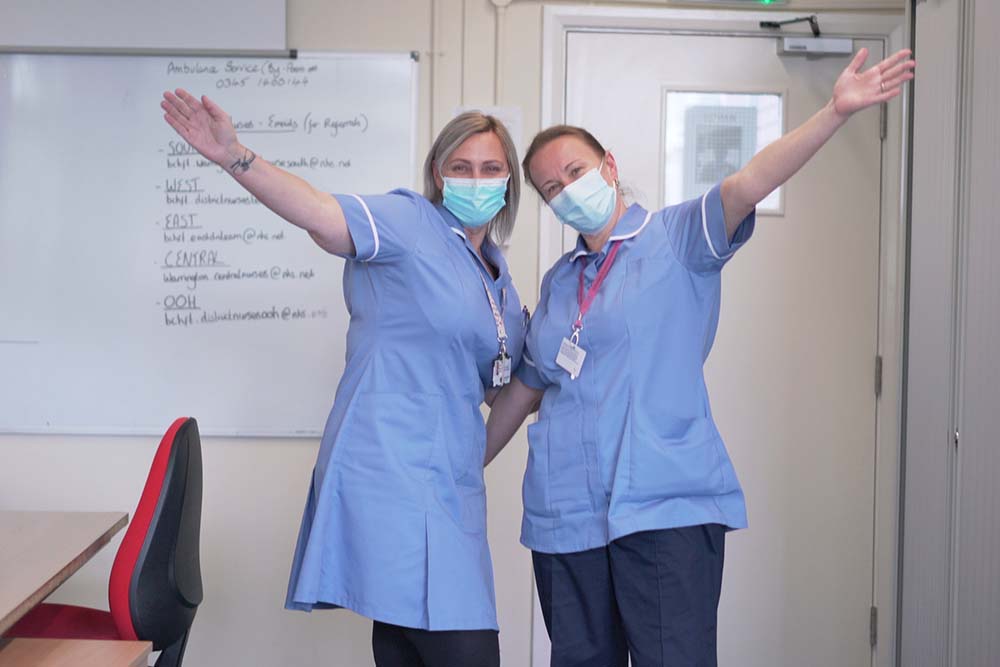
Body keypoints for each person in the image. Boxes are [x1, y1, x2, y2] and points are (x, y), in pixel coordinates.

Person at [484, 47, 915, 667]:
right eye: (552, 189)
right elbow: (525, 390)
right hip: (565, 518)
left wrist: (835, 112)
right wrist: (460, 466)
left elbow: (746, 184)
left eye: (574, 172)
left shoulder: (676, 237)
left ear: (608, 166)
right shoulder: (558, 282)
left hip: (664, 512)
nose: (565, 192)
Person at [161, 91, 527, 667]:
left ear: (508, 179)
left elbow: (503, 385)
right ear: (438, 173)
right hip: (391, 470)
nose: (475, 179)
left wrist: (471, 455)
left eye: (489, 168)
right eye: (461, 167)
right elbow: (320, 214)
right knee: (457, 642)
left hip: (450, 486)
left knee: (410, 638)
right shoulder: (408, 221)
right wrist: (235, 157)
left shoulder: (499, 278)